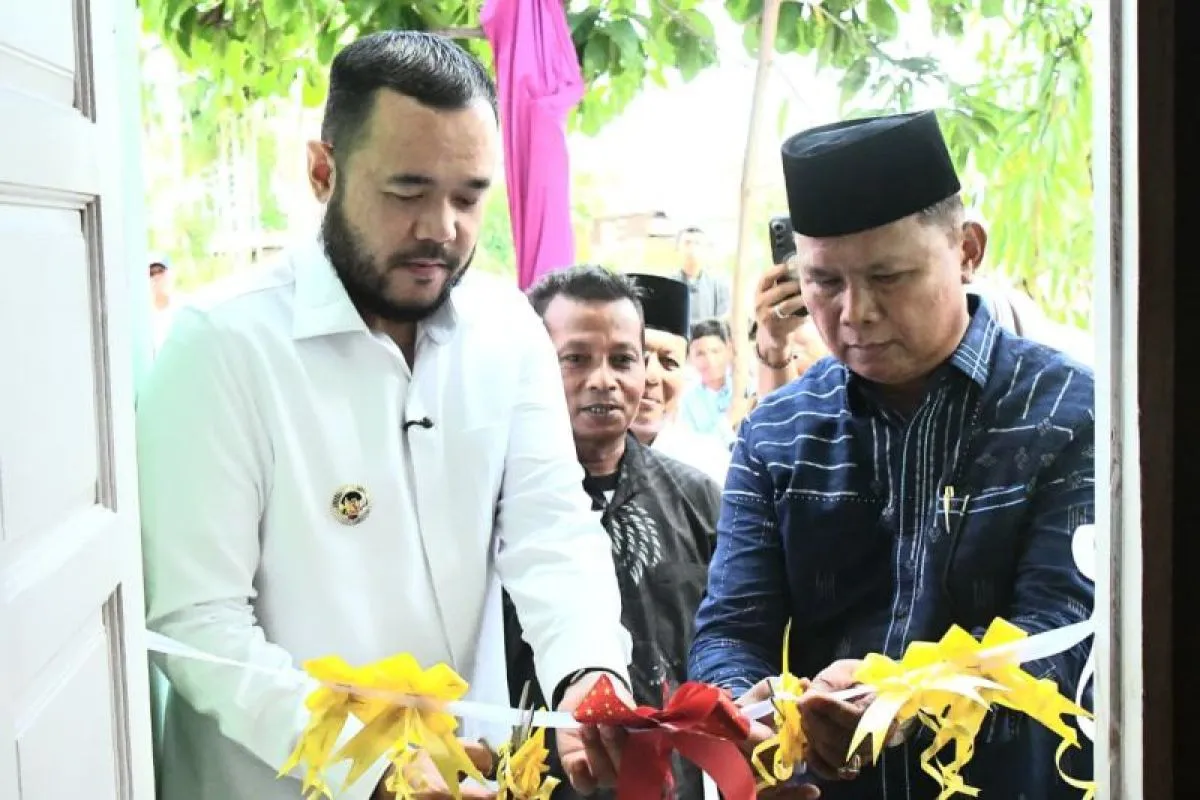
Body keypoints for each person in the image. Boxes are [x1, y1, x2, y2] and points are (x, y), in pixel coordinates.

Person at [137, 32, 633, 800]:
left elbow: (553, 533)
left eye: (468, 196)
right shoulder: (222, 344)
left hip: (466, 777)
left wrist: (588, 670)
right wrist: (369, 766)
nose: (442, 227)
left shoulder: (506, 330)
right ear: (322, 171)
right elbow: (197, 624)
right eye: (407, 191)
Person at [689, 111, 1095, 799]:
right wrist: (748, 716)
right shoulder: (777, 434)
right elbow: (730, 629)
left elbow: (1060, 631)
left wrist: (907, 694)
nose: (856, 312)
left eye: (889, 276)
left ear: (967, 249)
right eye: (824, 283)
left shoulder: (1069, 412)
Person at [506, 265, 722, 800]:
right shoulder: (498, 507)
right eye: (576, 359)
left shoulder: (698, 499)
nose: (603, 379)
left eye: (622, 359)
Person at [627, 273, 732, 484]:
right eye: (634, 358)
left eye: (669, 362)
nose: (651, 376)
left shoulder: (709, 466)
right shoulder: (572, 457)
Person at [677, 319, 737, 447]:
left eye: (715, 351)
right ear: (690, 358)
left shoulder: (744, 390)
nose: (709, 360)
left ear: (728, 350)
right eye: (700, 354)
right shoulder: (687, 400)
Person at [676, 226, 730, 324]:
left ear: (705, 249)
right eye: (687, 243)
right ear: (678, 248)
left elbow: (722, 323)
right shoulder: (669, 285)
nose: (692, 248)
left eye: (697, 243)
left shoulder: (719, 286)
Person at [149, 254, 176, 351]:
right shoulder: (144, 313)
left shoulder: (179, 308)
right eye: (152, 273)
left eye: (160, 271)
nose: (156, 277)